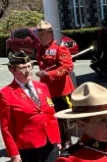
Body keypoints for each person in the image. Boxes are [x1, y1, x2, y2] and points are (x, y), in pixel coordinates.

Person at [0, 52, 61, 162]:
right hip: (27, 145)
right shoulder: (6, 94)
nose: (27, 71)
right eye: (22, 68)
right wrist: (13, 152)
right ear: (12, 70)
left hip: (48, 141)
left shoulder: (42, 87)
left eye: (29, 67)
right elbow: (5, 127)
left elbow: (51, 115)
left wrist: (57, 139)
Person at [35, 20, 76, 148]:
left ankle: (67, 141)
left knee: (64, 116)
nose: (40, 37)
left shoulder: (59, 48)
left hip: (61, 90)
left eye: (43, 35)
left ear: (50, 34)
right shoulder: (40, 49)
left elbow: (67, 67)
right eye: (39, 35)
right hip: (47, 90)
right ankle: (56, 140)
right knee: (51, 115)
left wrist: (49, 74)